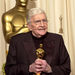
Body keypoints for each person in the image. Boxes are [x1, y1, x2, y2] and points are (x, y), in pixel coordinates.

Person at [5, 8, 71, 75]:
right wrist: (29, 68)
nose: (42, 25)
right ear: (29, 26)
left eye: (44, 20)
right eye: (37, 21)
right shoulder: (16, 41)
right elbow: (9, 70)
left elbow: (66, 68)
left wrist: (50, 69)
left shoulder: (57, 39)